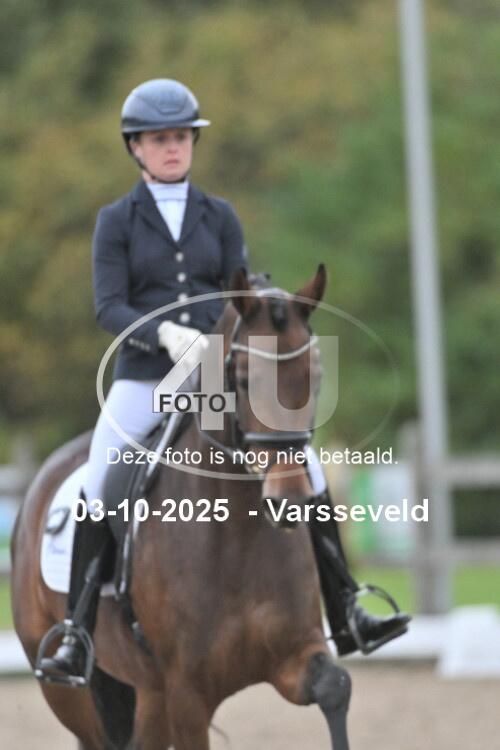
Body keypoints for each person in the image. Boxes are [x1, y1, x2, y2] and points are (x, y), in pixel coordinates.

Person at [37, 78, 409, 686]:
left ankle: (347, 608)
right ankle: (78, 632)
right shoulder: (116, 221)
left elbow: (240, 290)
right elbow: (109, 306)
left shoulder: (220, 215)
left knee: (307, 468)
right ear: (136, 147)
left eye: (181, 137)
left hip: (215, 371)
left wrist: (258, 318)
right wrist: (160, 333)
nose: (172, 148)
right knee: (101, 478)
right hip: (145, 375)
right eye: (160, 139)